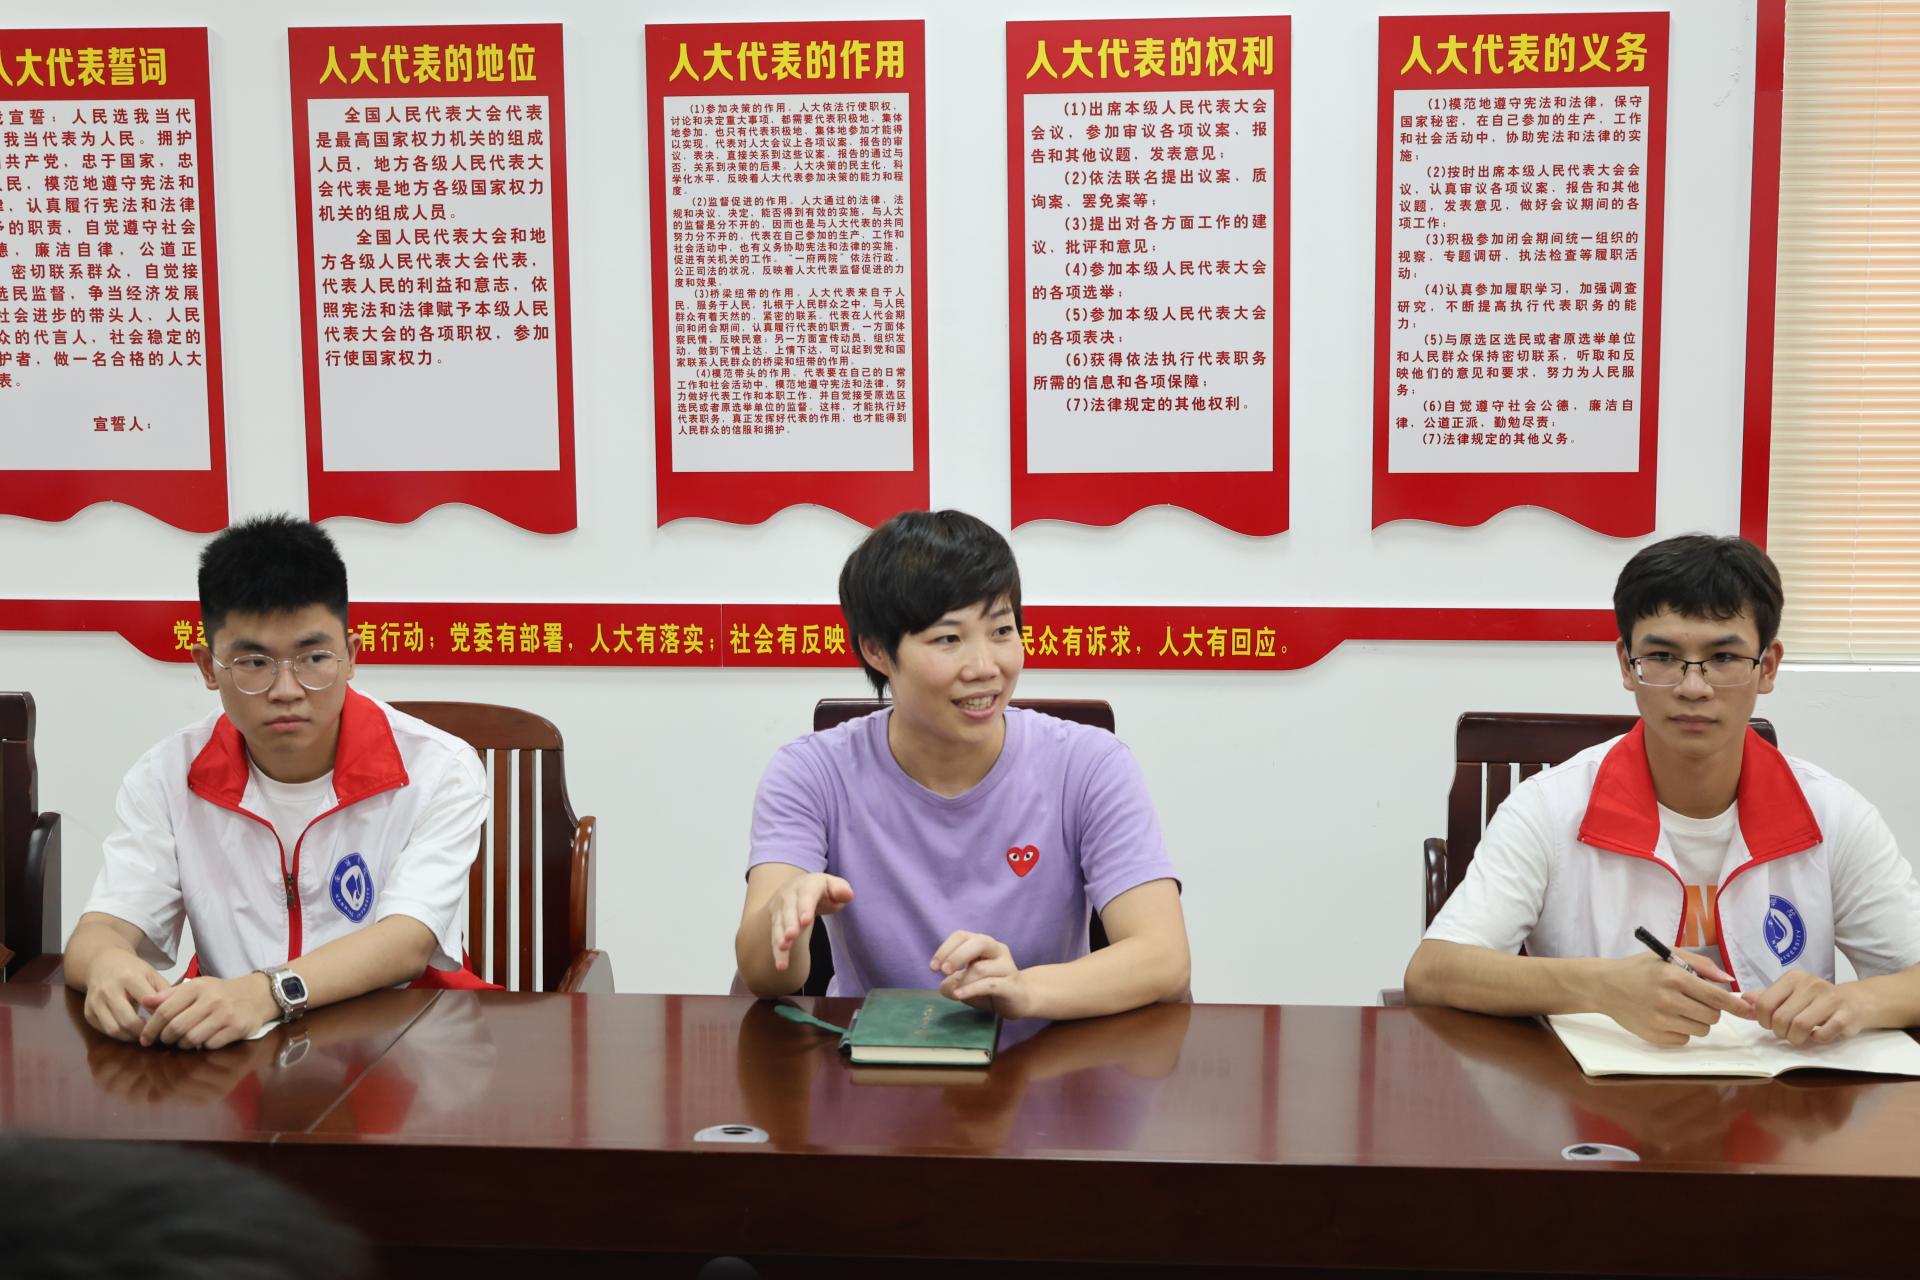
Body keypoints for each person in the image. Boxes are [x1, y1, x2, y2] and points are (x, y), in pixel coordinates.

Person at [1406, 534, 1920, 1046]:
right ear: (1626, 664)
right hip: (1593, 1091)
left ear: (1767, 668)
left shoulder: (1831, 813)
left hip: (1784, 1091)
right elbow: (1434, 971)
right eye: (1663, 656)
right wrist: (1601, 986)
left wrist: (1855, 1002)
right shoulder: (1548, 808)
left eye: (1724, 657)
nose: (1693, 687)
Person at [733, 509, 1189, 1019]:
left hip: (1049, 1053)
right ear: (877, 651)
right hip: (870, 1058)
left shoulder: (1089, 764)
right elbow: (765, 976)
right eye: (948, 639)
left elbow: (1163, 956)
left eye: (1001, 631)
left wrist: (1024, 991)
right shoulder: (811, 773)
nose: (985, 667)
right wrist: (787, 918)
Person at [65, 515, 489, 1051]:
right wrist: (106, 964)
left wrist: (267, 991)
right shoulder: (167, 776)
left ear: (351, 657)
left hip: (403, 1042)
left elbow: (407, 941)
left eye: (314, 658)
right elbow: (100, 931)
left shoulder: (438, 769)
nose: (286, 689)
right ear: (208, 667)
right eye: (253, 662)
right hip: (236, 1053)